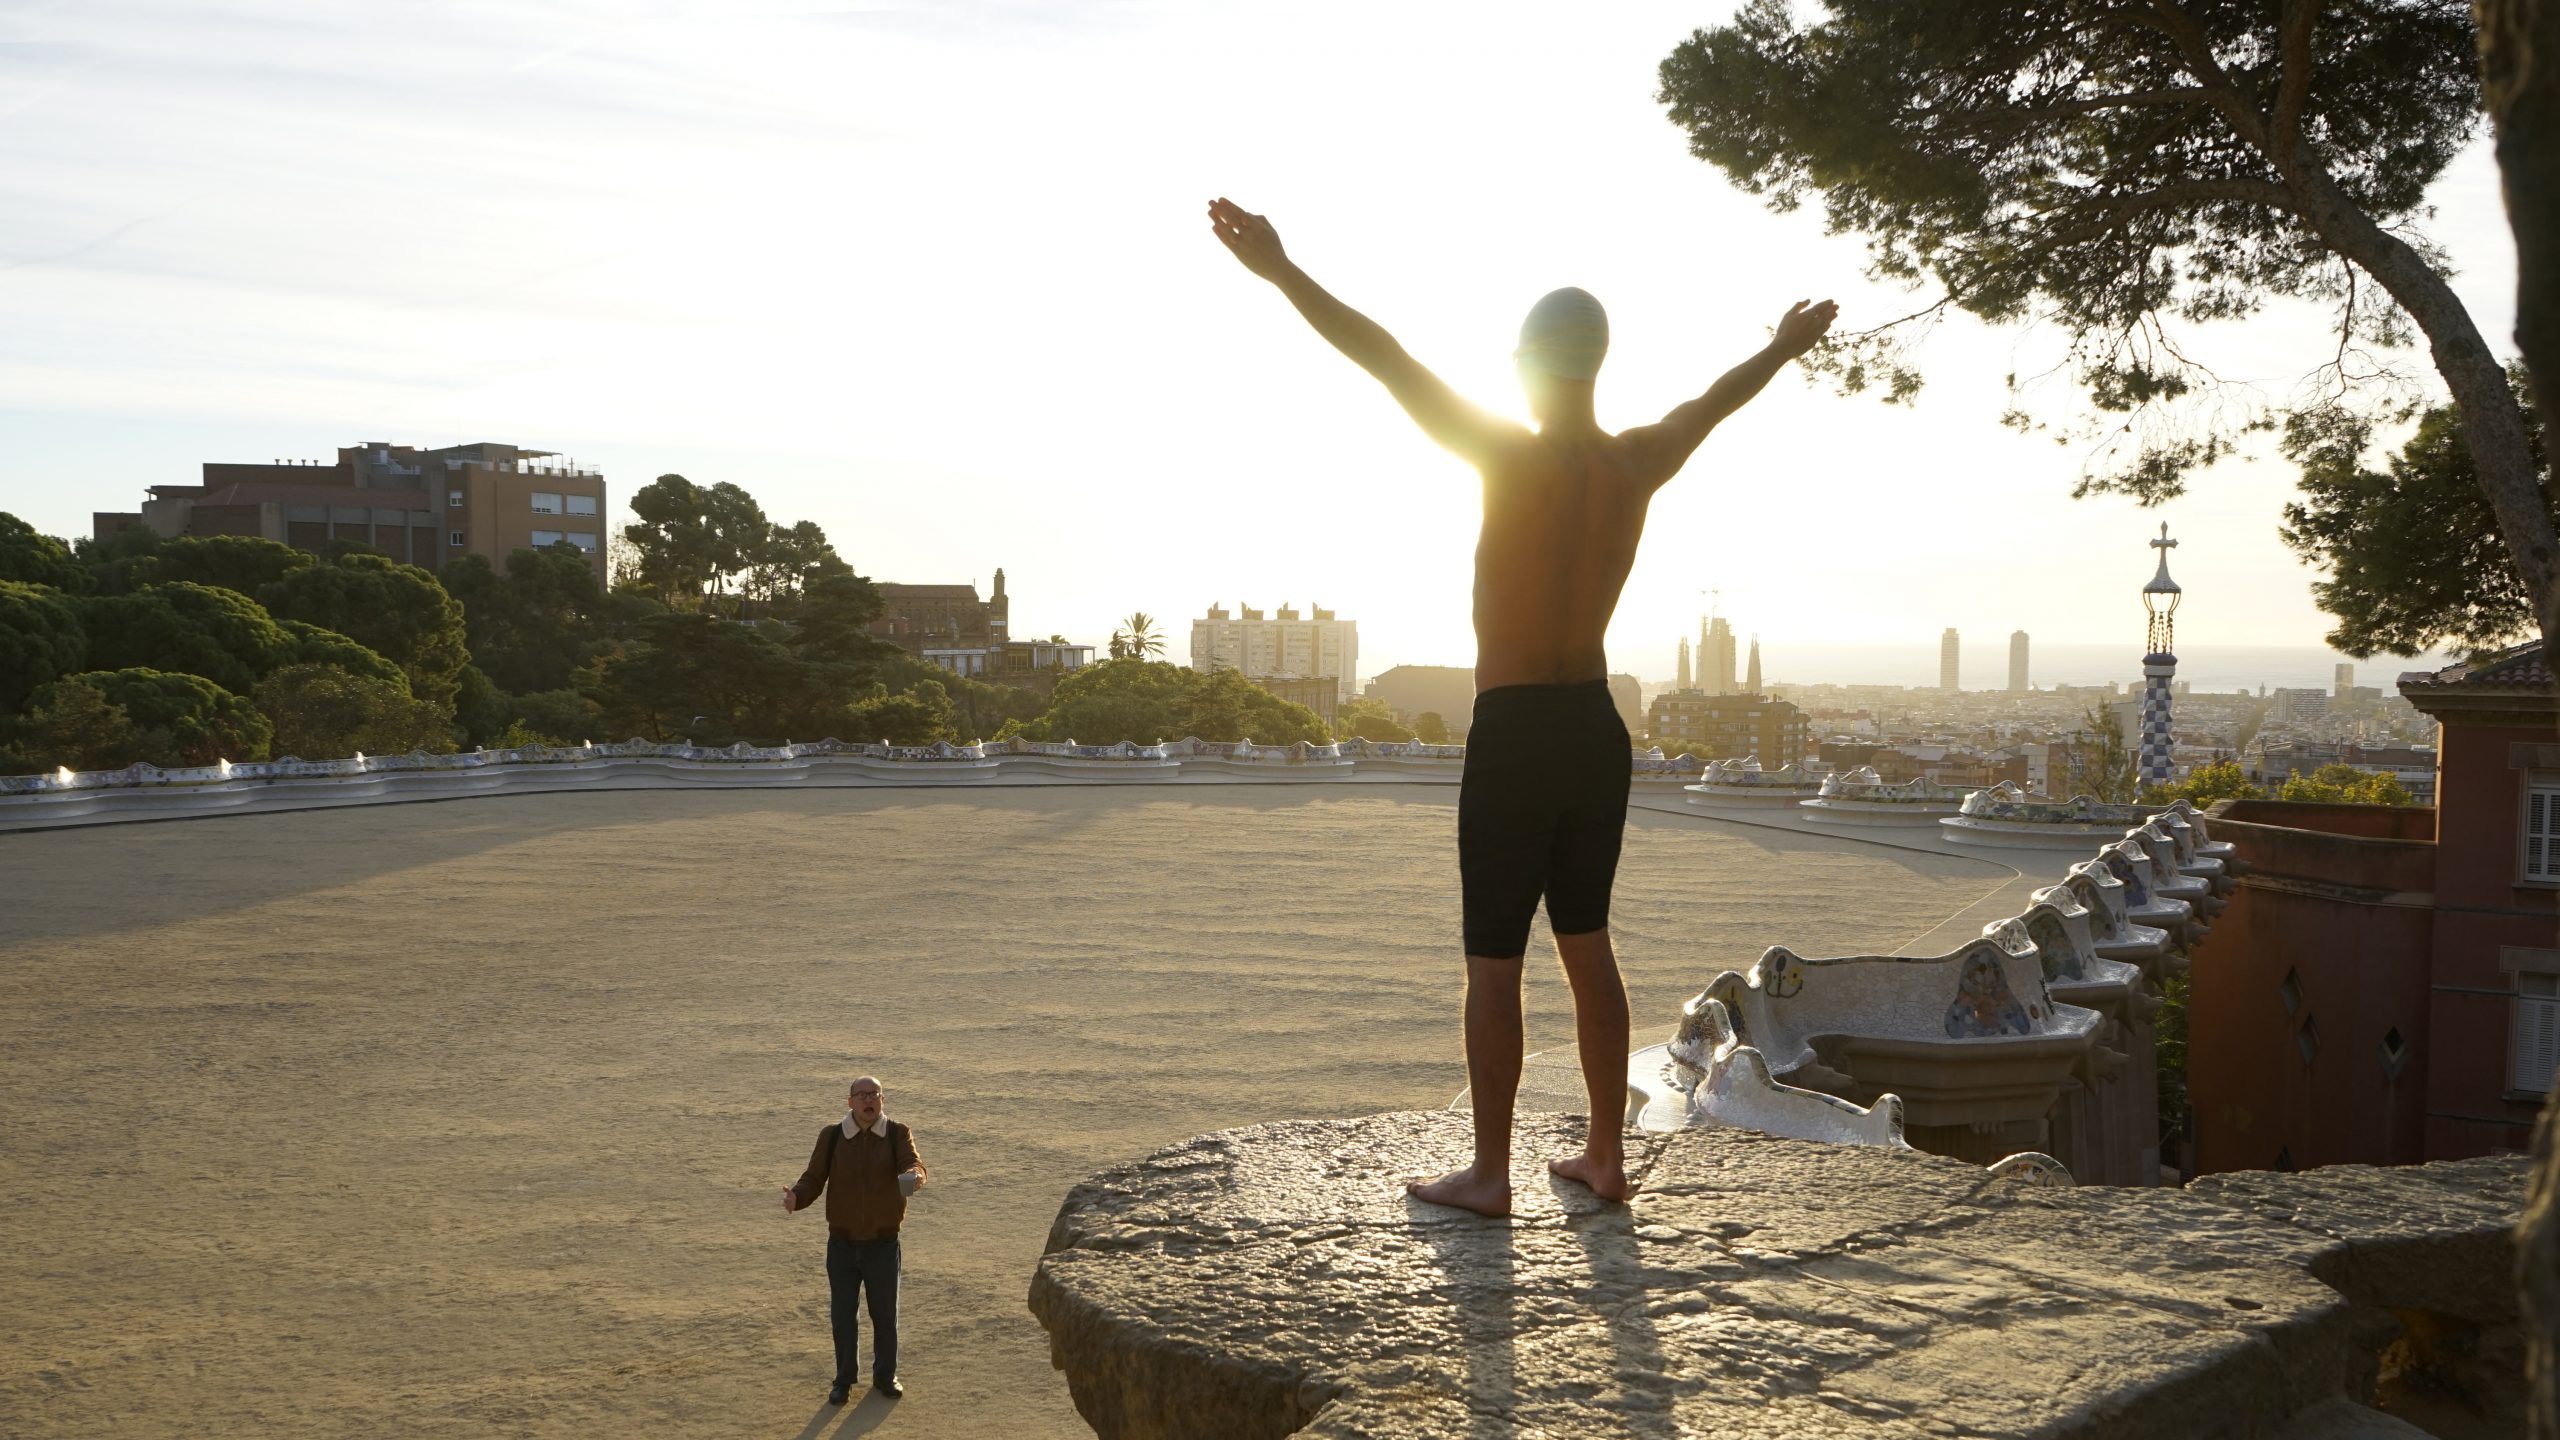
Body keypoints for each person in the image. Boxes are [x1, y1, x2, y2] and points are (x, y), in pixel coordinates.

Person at [1207, 196, 1836, 1217]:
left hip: (1515, 732)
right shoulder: (1635, 461)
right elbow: (1718, 399)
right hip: (1594, 729)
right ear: (1595, 363)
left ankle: (1491, 1173)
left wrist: (1281, 270)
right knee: (1586, 947)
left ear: (1529, 364)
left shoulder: (1505, 451)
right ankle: (1603, 1158)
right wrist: (1783, 344)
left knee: (1492, 960)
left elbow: (1383, 354)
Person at [782, 1075, 927, 1404]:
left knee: (885, 1314)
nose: (867, 1099)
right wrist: (797, 1197)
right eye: (861, 1094)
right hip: (842, 1244)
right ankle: (844, 1380)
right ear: (850, 1102)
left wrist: (914, 1177)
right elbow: (814, 1177)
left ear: (882, 1099)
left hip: (883, 1243)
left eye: (873, 1093)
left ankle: (885, 1376)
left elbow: (913, 1164)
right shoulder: (832, 1136)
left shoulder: (897, 1134)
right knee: (843, 1315)